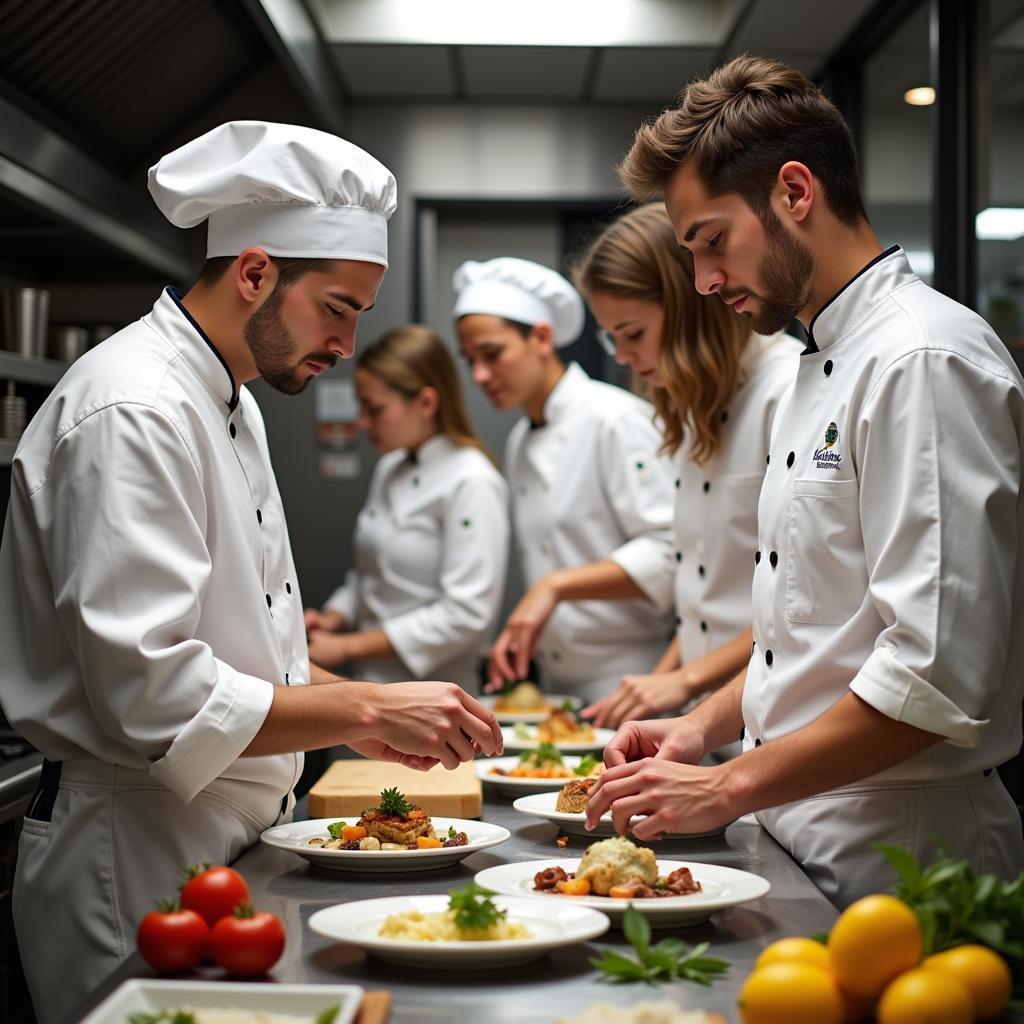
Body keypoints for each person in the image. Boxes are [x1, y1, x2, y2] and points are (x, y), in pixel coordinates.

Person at [0, 121, 502, 1023]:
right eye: (339, 308)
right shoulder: (135, 408)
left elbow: (241, 645)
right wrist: (367, 705)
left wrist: (351, 710)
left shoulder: (228, 400)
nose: (347, 347)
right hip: (134, 854)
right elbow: (151, 691)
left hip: (220, 840)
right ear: (256, 272)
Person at [585, 56, 1024, 908]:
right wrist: (701, 727)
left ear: (794, 192)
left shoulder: (921, 359)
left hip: (902, 848)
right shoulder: (817, 364)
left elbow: (931, 675)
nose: (706, 280)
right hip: (800, 826)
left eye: (713, 240)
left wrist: (727, 786)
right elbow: (806, 633)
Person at [491, 204, 801, 743]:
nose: (626, 357)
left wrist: (681, 683)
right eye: (614, 339)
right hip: (714, 721)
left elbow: (802, 603)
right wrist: (658, 698)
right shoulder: (695, 410)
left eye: (633, 333)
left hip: (778, 720)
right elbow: (706, 597)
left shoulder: (786, 391)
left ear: (689, 308)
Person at [454, 257, 676, 704]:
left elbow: (672, 550)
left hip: (633, 680)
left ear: (541, 337)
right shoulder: (520, 441)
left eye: (492, 354)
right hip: (556, 687)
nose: (479, 375)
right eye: (470, 360)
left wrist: (554, 588)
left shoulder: (614, 419)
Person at [304, 325, 509, 688]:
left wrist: (348, 647)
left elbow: (466, 614)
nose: (363, 422)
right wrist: (335, 617)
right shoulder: (391, 468)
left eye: (374, 408)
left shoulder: (472, 480)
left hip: (435, 692)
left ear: (426, 403)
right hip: (368, 686)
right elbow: (369, 577)